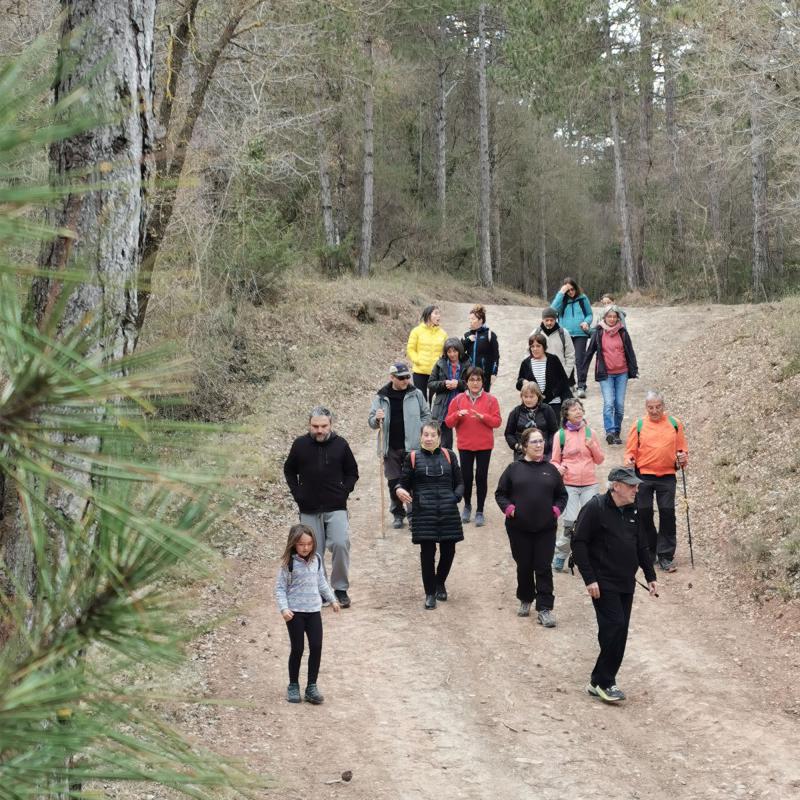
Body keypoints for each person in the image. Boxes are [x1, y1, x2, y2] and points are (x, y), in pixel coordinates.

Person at [571, 467, 658, 704]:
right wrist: (589, 578)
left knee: (617, 632)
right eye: (631, 486)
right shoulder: (595, 508)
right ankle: (605, 681)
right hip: (602, 582)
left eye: (636, 485)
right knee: (615, 626)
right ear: (616, 486)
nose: (636, 490)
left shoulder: (633, 510)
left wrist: (650, 575)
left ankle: (597, 682)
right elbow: (578, 543)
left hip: (625, 582)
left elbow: (641, 545)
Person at [283, 406, 359, 608]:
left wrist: (345, 490)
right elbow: (289, 470)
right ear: (309, 425)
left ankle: (340, 589)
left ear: (330, 425)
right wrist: (297, 493)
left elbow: (352, 472)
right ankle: (321, 590)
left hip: (336, 505)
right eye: (315, 426)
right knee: (313, 551)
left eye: (323, 426)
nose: (319, 430)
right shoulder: (300, 445)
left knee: (341, 544)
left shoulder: (341, 445)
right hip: (308, 507)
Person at [495, 427, 568, 626]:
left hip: (545, 528)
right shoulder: (514, 469)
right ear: (525, 446)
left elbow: (562, 495)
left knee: (543, 566)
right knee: (524, 565)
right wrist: (509, 509)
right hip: (519, 527)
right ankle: (525, 598)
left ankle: (545, 609)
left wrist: (555, 511)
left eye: (541, 441)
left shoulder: (551, 469)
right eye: (534, 442)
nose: (539, 445)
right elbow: (500, 493)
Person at [396, 422, 465, 609]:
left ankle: (440, 581)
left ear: (439, 437)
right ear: (420, 437)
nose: (428, 438)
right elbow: (402, 483)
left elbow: (460, 482)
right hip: (423, 512)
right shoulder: (412, 457)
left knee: (449, 551)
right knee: (427, 554)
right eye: (425, 435)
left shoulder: (449, 455)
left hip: (448, 510)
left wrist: (455, 497)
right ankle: (430, 593)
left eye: (432, 435)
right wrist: (399, 490)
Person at [623, 390, 689, 573]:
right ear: (646, 408)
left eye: (658, 407)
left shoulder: (675, 424)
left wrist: (683, 458)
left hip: (667, 475)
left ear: (663, 406)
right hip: (643, 475)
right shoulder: (639, 425)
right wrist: (629, 460)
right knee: (643, 513)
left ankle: (666, 555)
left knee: (667, 513)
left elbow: (682, 450)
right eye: (651, 407)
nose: (654, 411)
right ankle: (649, 551)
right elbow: (630, 451)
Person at [274, 523, 340, 704]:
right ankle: (293, 684)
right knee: (298, 648)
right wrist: (284, 608)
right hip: (294, 613)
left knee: (316, 647)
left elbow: (322, 583)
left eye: (309, 544)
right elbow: (280, 589)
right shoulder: (288, 565)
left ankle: (312, 686)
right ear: (294, 543)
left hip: (313, 612)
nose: (306, 548)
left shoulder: (316, 560)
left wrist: (333, 599)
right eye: (302, 544)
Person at [368, 362, 431, 529]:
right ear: (392, 377)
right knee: (394, 483)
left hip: (412, 447)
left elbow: (426, 414)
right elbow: (371, 422)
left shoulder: (416, 394)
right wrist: (376, 419)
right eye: (401, 378)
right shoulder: (381, 397)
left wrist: (421, 429)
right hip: (390, 448)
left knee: (412, 482)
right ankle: (397, 513)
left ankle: (413, 515)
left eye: (407, 377)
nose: (405, 380)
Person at [550, 398, 605, 572]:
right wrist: (559, 468)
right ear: (566, 414)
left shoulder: (591, 433)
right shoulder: (560, 435)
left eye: (580, 408)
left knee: (591, 523)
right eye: (574, 409)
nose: (578, 412)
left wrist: (592, 446)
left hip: (590, 484)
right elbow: (553, 461)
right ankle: (560, 555)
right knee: (570, 523)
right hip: (569, 485)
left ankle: (590, 558)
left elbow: (600, 459)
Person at [444, 366, 501, 527]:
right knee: (466, 478)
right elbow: (448, 422)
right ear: (466, 382)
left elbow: (497, 422)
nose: (475, 383)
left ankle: (480, 510)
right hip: (465, 445)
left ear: (483, 382)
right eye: (471, 380)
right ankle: (467, 506)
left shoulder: (491, 400)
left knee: (481, 478)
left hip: (484, 445)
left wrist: (484, 417)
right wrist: (457, 414)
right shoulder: (458, 399)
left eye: (478, 380)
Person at [583, 306, 638, 446]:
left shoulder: (623, 332)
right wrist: (582, 374)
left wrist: (634, 369)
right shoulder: (598, 332)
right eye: (609, 316)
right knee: (609, 403)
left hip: (622, 373)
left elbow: (630, 351)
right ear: (604, 317)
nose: (612, 319)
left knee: (619, 405)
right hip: (606, 373)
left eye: (614, 317)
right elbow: (589, 352)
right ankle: (610, 431)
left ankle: (617, 432)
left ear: (618, 318)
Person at [515, 332, 572, 423]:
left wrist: (554, 394)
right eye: (532, 346)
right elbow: (518, 384)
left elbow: (563, 381)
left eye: (538, 346)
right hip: (534, 405)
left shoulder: (553, 360)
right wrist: (523, 381)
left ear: (544, 347)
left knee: (554, 432)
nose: (535, 349)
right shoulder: (526, 363)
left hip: (554, 403)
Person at [551, 278, 592, 399]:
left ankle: (581, 386)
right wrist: (560, 293)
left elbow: (589, 314)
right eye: (567, 290)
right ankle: (570, 383)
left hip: (580, 333)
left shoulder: (583, 298)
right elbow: (551, 311)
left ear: (576, 287)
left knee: (579, 359)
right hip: (565, 335)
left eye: (572, 289)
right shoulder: (561, 301)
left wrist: (586, 322)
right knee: (567, 360)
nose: (571, 292)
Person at [428, 337, 471, 449]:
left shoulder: (467, 364)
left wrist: (459, 384)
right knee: (444, 444)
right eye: (449, 351)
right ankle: (447, 464)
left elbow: (475, 385)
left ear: (459, 351)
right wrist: (444, 384)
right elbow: (431, 383)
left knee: (466, 441)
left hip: (462, 405)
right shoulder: (440, 364)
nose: (452, 354)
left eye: (454, 351)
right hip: (443, 406)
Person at [503, 381, 559, 461]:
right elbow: (509, 434)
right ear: (521, 397)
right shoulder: (516, 412)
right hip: (522, 454)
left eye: (531, 396)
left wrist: (548, 446)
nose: (528, 400)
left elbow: (554, 431)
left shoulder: (547, 410)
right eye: (525, 396)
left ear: (538, 396)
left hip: (544, 453)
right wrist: (517, 446)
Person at [406, 304, 448, 399]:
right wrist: (417, 360)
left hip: (436, 372)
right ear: (429, 315)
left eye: (439, 314)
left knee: (434, 400)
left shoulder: (443, 334)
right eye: (436, 313)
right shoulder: (416, 331)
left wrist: (441, 365)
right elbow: (410, 349)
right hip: (420, 371)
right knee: (421, 399)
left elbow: (446, 352)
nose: (439, 316)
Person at [530, 306, 575, 384]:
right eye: (547, 320)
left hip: (560, 375)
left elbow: (570, 355)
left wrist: (565, 374)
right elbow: (528, 353)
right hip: (540, 375)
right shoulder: (535, 333)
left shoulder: (564, 333)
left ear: (556, 320)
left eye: (552, 320)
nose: (549, 323)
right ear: (542, 320)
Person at [461, 304, 500, 392]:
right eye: (469, 319)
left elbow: (496, 356)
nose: (470, 321)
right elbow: (459, 353)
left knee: (483, 402)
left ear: (481, 320)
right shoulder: (466, 335)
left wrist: (494, 373)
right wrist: (467, 340)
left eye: (473, 319)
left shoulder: (490, 335)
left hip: (484, 376)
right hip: (469, 375)